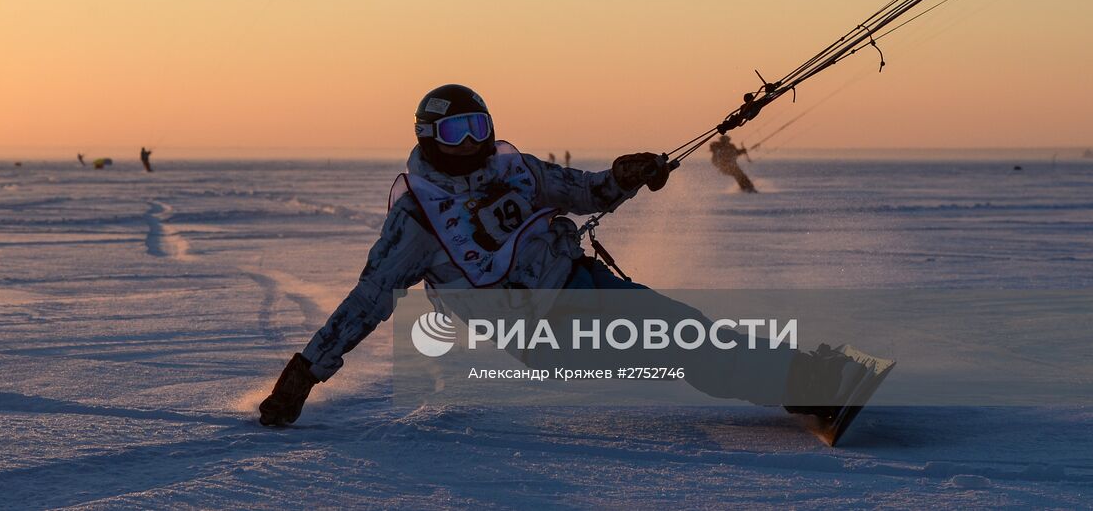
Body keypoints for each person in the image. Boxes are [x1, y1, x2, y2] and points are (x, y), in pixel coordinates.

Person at [258, 84, 884, 437]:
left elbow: (586, 191)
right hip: (539, 328)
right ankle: (812, 390)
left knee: (683, 332)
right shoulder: (418, 220)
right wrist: (304, 373)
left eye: (478, 127)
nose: (471, 143)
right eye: (455, 134)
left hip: (584, 284)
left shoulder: (518, 170)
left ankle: (807, 381)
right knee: (679, 338)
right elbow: (365, 303)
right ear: (427, 137)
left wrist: (626, 175)